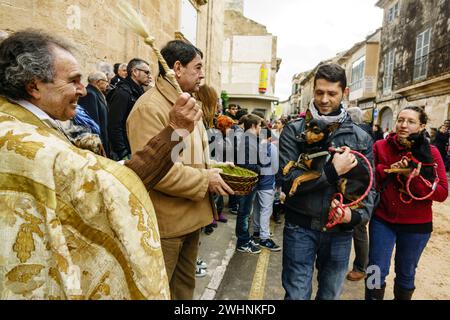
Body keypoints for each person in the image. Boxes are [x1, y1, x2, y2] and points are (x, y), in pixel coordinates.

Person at [0, 30, 204, 299]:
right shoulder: (30, 145)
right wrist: (174, 131)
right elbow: (114, 188)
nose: (83, 91)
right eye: (73, 81)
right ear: (34, 86)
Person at [126, 40, 233, 300]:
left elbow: (187, 156)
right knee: (160, 293)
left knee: (183, 291)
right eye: (197, 68)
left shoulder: (184, 102)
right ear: (177, 68)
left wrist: (216, 167)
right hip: (167, 225)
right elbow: (156, 170)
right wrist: (205, 180)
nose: (202, 74)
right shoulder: (150, 108)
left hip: (190, 218)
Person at [278, 63, 377, 300]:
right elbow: (287, 182)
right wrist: (332, 172)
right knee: (296, 295)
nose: (324, 99)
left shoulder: (361, 137)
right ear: (313, 90)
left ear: (345, 93)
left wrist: (353, 217)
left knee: (330, 295)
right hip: (299, 227)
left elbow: (371, 189)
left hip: (340, 232)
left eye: (331, 93)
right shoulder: (295, 131)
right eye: (319, 92)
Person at [366, 106, 448, 300]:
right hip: (383, 220)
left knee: (406, 272)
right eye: (401, 120)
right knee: (375, 268)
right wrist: (387, 168)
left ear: (421, 126)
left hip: (416, 225)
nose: (403, 125)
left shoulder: (432, 152)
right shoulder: (380, 146)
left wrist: (414, 178)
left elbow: (442, 193)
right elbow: (368, 180)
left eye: (411, 122)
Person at [344, 106, 371, 282]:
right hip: (350, 188)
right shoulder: (365, 131)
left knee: (359, 229)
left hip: (357, 190)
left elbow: (363, 167)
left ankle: (361, 267)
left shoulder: (361, 135)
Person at [108, 58, 151, 160]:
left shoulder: (138, 91)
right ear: (135, 72)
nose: (149, 75)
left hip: (135, 147)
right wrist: (123, 153)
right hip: (125, 151)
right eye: (146, 72)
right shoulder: (122, 93)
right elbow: (114, 125)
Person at [77, 71, 110, 157]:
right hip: (97, 141)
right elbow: (92, 122)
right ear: (99, 82)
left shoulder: (97, 93)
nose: (108, 84)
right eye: (106, 81)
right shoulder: (90, 94)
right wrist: (98, 144)